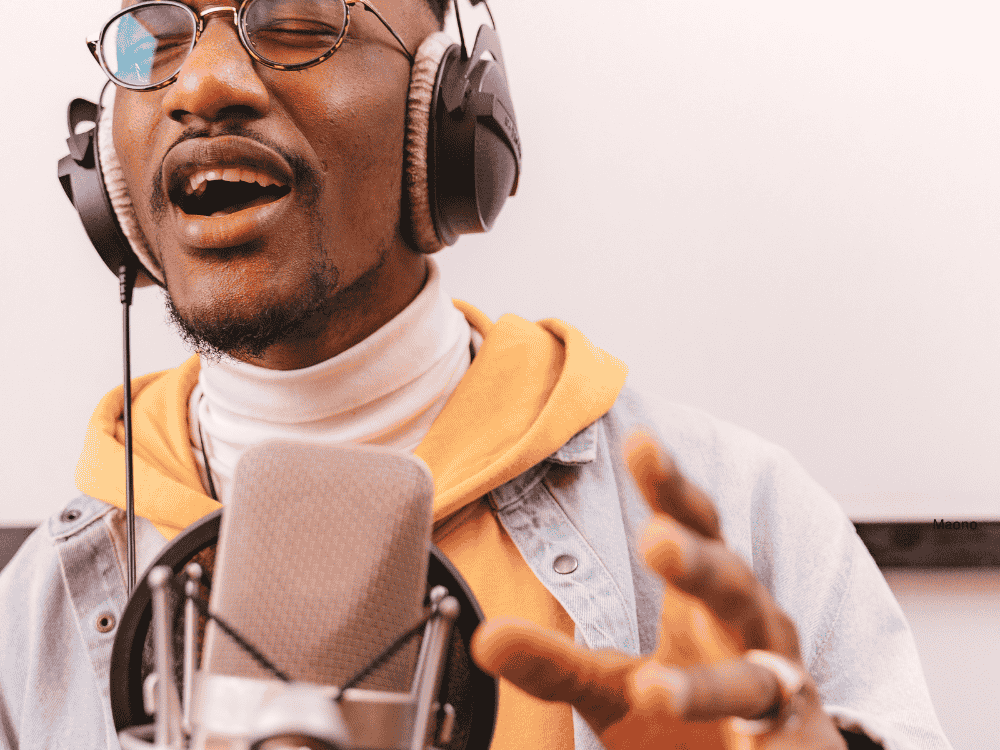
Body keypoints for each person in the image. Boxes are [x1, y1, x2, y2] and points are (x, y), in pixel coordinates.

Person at [0, 0, 953, 749]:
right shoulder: (33, 615)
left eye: (298, 18)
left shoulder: (739, 523)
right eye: (156, 32)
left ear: (450, 112)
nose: (201, 83)